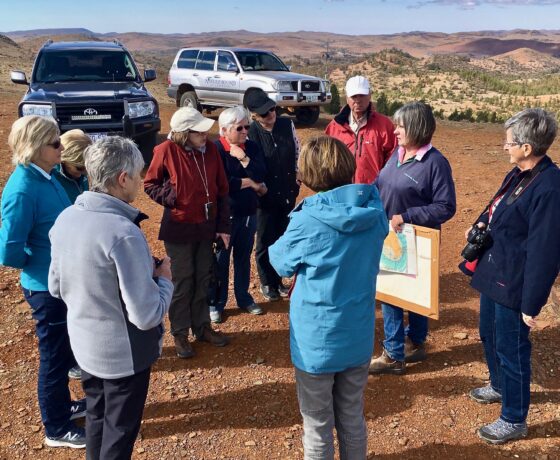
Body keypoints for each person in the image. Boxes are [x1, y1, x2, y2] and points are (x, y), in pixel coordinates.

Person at [48, 136, 173, 459]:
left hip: (86, 348)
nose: (141, 179)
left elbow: (55, 288)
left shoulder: (65, 219)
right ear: (122, 178)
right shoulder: (122, 232)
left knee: (97, 418)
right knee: (119, 434)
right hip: (123, 356)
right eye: (138, 173)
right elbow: (146, 315)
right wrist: (164, 281)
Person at [269, 136, 387, 460]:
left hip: (316, 339)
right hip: (358, 332)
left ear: (308, 173)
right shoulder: (374, 212)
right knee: (352, 416)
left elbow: (279, 261)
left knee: (318, 424)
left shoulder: (307, 220)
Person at [464, 108, 560, 444]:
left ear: (527, 148)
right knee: (489, 335)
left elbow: (545, 253)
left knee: (512, 348)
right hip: (495, 271)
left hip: (514, 282)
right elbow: (497, 203)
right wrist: (478, 221)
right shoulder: (520, 173)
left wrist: (532, 304)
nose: (505, 147)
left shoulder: (549, 187)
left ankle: (514, 418)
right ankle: (498, 385)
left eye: (510, 142)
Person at [0, 115, 85, 448]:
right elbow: (9, 251)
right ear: (36, 148)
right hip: (45, 286)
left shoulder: (45, 175)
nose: (61, 148)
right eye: (55, 143)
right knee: (53, 357)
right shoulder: (23, 188)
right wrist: (43, 264)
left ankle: (63, 406)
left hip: (61, 281)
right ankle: (56, 427)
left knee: (63, 352)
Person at [369, 101, 456, 375]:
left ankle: (394, 354)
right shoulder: (398, 153)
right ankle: (416, 343)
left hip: (414, 237)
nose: (394, 131)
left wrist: (407, 216)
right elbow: (381, 183)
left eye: (401, 126)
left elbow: (445, 206)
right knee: (406, 293)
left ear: (417, 128)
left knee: (395, 292)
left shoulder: (435, 163)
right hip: (391, 236)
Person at [144, 106, 231, 359]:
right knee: (183, 281)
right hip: (179, 228)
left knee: (204, 277)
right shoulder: (166, 150)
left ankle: (202, 327)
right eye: (198, 131)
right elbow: (150, 184)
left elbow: (223, 190)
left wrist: (223, 226)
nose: (205, 134)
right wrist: (173, 198)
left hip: (207, 225)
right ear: (183, 133)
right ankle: (180, 334)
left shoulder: (212, 150)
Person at [212, 106, 267, 323]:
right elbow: (220, 183)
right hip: (224, 218)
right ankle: (217, 302)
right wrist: (249, 182)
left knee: (243, 258)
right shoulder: (216, 149)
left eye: (247, 126)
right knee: (220, 261)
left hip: (248, 214)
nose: (245, 131)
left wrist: (243, 158)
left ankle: (243, 298)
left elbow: (262, 173)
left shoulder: (250, 148)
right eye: (240, 128)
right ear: (224, 130)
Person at [246, 88, 300, 301]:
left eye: (272, 109)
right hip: (265, 197)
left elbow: (297, 150)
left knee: (283, 237)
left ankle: (279, 280)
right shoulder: (251, 133)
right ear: (254, 115)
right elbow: (250, 165)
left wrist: (298, 177)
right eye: (264, 113)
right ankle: (267, 282)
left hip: (287, 192)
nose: (271, 115)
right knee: (265, 239)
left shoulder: (287, 125)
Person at [53, 128, 92, 382]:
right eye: (79, 169)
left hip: (84, 250)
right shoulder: (52, 182)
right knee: (67, 311)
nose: (83, 173)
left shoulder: (82, 177)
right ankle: (73, 358)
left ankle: (83, 355)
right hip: (63, 255)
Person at [325, 75, 397, 183]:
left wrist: (383, 183)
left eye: (362, 95)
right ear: (347, 98)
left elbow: (394, 158)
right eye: (354, 96)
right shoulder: (334, 127)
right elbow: (326, 159)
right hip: (342, 191)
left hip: (373, 192)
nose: (358, 100)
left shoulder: (385, 125)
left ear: (369, 95)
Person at [53, 129, 91, 204]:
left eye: (88, 167)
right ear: (64, 159)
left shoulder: (89, 174)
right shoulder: (52, 178)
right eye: (80, 168)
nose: (85, 172)